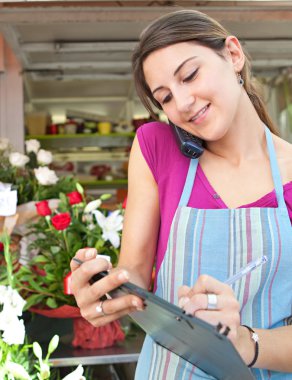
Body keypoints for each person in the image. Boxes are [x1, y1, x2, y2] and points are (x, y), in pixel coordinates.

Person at [70, 9, 292, 379]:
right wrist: (105, 291)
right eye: (166, 98)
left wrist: (243, 341)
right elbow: (135, 276)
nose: (183, 103)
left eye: (190, 75)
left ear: (233, 55)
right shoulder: (156, 148)